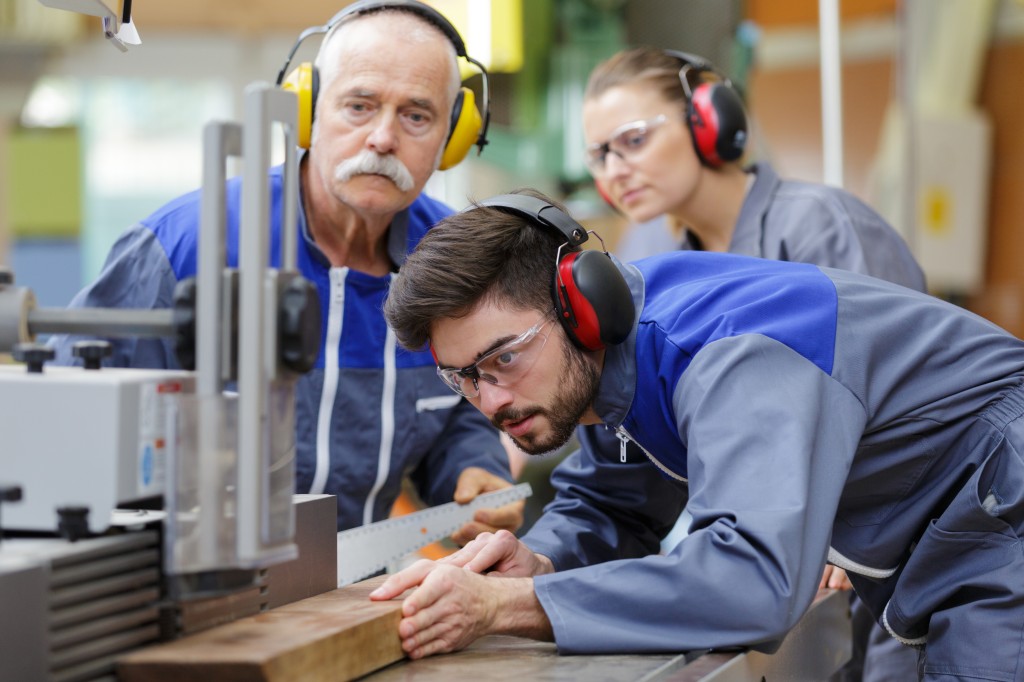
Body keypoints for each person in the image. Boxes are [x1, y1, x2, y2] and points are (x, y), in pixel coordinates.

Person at [372, 189, 1024, 682]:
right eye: (464, 378)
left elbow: (754, 579)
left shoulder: (730, 354)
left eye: (504, 357)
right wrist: (538, 563)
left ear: (581, 307)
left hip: (1004, 503)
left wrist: (507, 606)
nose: (491, 400)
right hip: (950, 537)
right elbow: (610, 504)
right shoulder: (614, 366)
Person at [47, 0, 521, 540]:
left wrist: (473, 468)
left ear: (452, 136)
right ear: (308, 110)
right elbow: (66, 412)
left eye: (416, 116)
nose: (383, 138)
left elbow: (457, 410)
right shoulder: (183, 244)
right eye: (359, 106)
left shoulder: (457, 262)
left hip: (355, 582)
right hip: (190, 570)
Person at [581, 47, 926, 680]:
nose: (615, 169)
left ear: (709, 119)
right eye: (599, 155)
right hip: (795, 566)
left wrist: (831, 536)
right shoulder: (658, 276)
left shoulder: (822, 226)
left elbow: (908, 410)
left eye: (632, 140)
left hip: (900, 553)